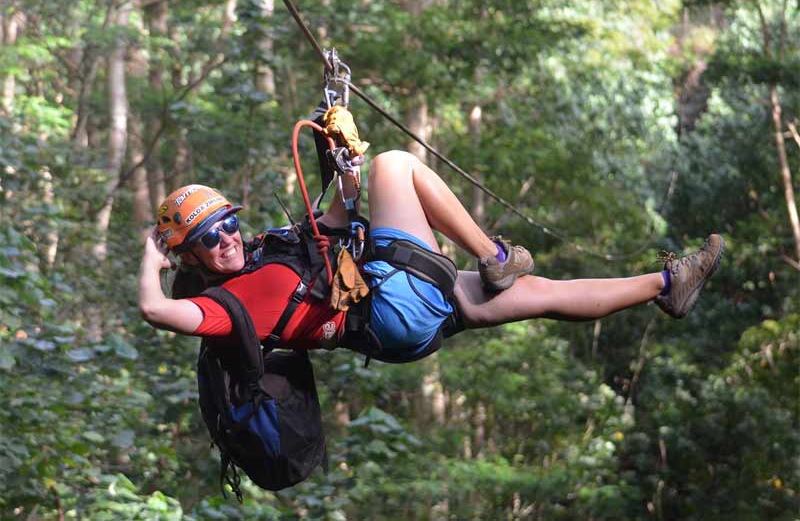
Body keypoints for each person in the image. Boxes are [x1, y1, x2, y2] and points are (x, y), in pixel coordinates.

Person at [138, 150, 724, 358]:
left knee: (544, 295)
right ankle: (495, 254)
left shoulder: (267, 248)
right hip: (389, 309)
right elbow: (156, 312)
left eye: (228, 224)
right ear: (190, 257)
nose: (229, 239)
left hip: (397, 319)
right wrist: (151, 258)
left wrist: (345, 172)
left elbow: (338, 220)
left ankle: (666, 288)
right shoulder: (227, 305)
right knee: (399, 166)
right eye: (211, 238)